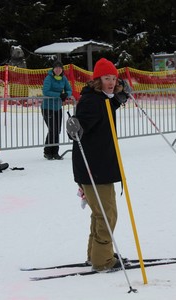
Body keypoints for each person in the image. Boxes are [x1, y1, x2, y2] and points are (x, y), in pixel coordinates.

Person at [66, 58, 129, 272]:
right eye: (106, 78)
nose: (111, 82)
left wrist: (118, 101)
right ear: (97, 80)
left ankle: (96, 255)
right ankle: (103, 260)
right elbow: (81, 126)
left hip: (101, 165)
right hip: (94, 167)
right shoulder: (91, 101)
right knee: (106, 214)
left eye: (113, 78)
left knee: (100, 212)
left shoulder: (101, 99)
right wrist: (75, 128)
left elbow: (105, 111)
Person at [42, 60, 72, 160]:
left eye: (60, 68)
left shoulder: (63, 78)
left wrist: (66, 94)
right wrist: (59, 95)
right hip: (47, 107)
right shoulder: (48, 78)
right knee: (52, 129)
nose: (58, 70)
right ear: (53, 69)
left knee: (57, 130)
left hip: (57, 107)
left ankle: (55, 152)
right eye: (56, 68)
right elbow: (46, 91)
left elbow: (69, 89)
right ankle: (47, 152)